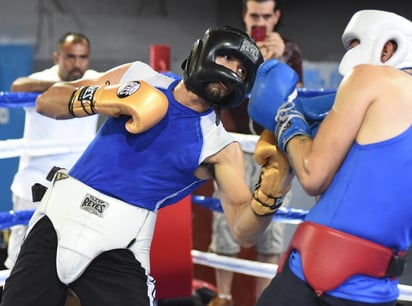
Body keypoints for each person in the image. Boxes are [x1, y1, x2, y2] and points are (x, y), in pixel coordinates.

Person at [0, 26, 292, 306]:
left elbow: (243, 230)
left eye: (242, 70)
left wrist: (269, 196)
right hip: (57, 219)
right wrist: (101, 98)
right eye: (227, 58)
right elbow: (47, 102)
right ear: (202, 53)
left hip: (119, 245)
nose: (231, 72)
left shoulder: (221, 148)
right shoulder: (140, 75)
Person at [248, 9, 412, 306]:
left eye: (354, 45)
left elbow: (312, 174)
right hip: (378, 290)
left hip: (313, 278)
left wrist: (286, 120)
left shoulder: (369, 77)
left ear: (388, 48)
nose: (349, 55)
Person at [207, 1, 303, 305]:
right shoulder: (232, 47)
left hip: (272, 145)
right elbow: (220, 88)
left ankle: (264, 300)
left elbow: (297, 94)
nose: (259, 21)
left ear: (275, 17)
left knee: (271, 228)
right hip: (233, 143)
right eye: (254, 16)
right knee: (225, 223)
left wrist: (279, 62)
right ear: (245, 16)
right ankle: (223, 298)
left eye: (265, 16)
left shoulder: (290, 50)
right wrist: (258, 61)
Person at [6, 32, 100, 270]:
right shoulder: (42, 79)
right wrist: (63, 88)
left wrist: (79, 86)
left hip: (75, 186)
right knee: (20, 257)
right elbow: (18, 86)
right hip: (32, 184)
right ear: (57, 56)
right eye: (70, 57)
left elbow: (119, 84)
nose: (76, 63)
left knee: (70, 258)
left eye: (82, 57)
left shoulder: (94, 81)